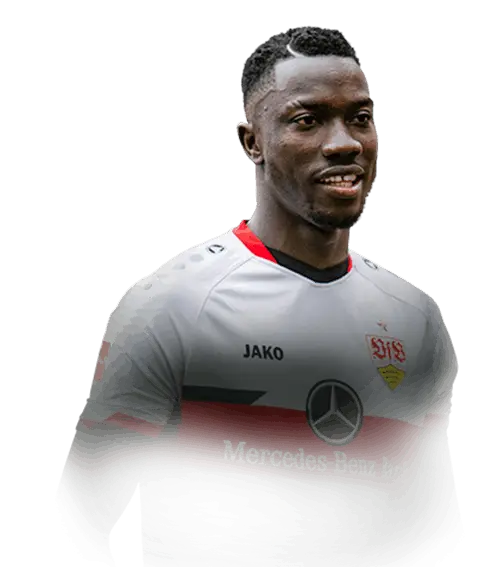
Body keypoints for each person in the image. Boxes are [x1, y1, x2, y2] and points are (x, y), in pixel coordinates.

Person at [56, 25, 461, 566]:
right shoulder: (172, 302)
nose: (344, 143)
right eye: (308, 120)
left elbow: (432, 521)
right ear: (253, 142)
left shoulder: (417, 319)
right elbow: (88, 512)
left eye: (360, 118)